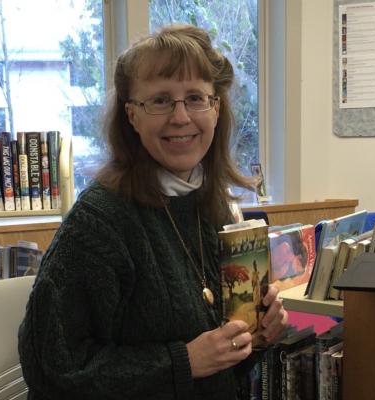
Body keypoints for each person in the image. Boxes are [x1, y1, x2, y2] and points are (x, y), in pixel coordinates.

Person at [18, 24, 288, 400]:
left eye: (195, 97)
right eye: (161, 100)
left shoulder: (216, 208)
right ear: (132, 116)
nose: (181, 117)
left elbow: (221, 361)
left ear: (216, 108)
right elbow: (51, 366)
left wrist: (256, 335)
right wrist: (184, 362)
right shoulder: (98, 222)